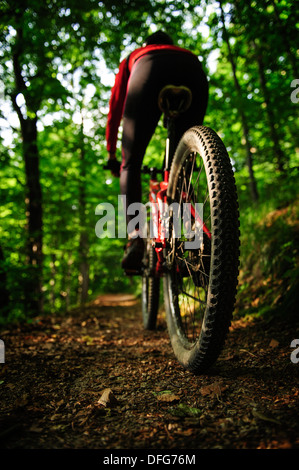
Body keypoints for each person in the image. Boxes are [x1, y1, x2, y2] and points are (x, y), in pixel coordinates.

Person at [106, 30, 209, 272]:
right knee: (183, 162)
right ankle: (192, 237)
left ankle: (135, 237)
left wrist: (112, 154)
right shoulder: (184, 53)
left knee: (129, 164)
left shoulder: (136, 55)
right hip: (193, 71)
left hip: (148, 70)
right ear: (170, 44)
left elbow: (116, 106)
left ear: (147, 44)